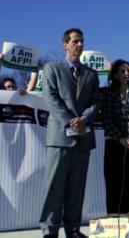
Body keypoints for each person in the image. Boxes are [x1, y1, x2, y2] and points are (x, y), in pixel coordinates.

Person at [39, 28, 101, 238]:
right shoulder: (51, 69)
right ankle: (50, 230)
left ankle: (73, 229)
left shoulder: (91, 74)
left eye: (82, 41)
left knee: (77, 189)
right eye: (75, 41)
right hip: (60, 138)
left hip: (83, 138)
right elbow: (51, 98)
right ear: (65, 44)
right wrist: (71, 122)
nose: (79, 45)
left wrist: (83, 120)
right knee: (54, 188)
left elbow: (96, 102)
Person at [102, 59, 129, 214]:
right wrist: (121, 139)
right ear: (115, 75)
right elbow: (107, 119)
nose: (126, 74)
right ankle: (113, 222)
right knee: (114, 184)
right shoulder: (109, 93)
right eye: (122, 71)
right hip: (115, 144)